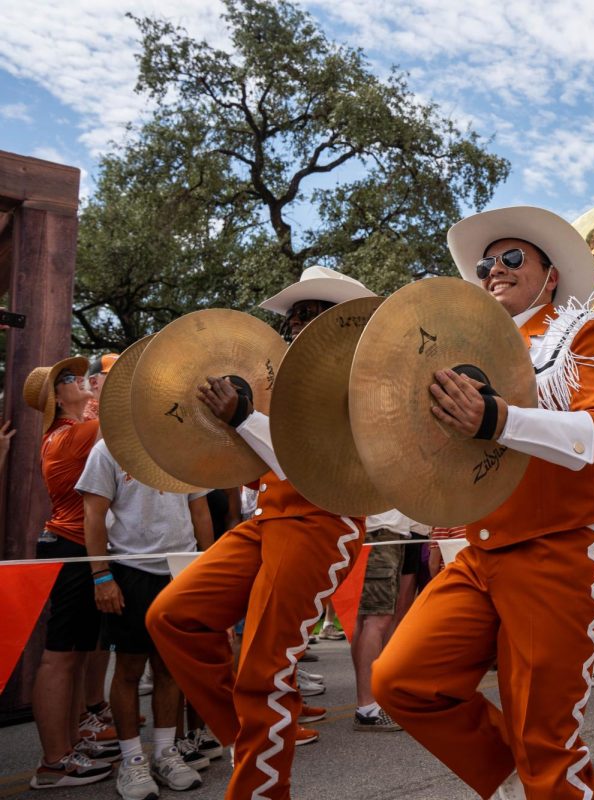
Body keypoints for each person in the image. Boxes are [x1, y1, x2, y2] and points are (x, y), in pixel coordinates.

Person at [371, 206, 594, 798]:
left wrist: (496, 417)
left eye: (513, 257)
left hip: (556, 551)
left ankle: (540, 775)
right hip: (479, 553)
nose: (494, 268)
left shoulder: (583, 333)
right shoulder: (467, 344)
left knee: (547, 738)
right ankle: (521, 774)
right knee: (400, 680)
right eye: (488, 262)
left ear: (551, 275)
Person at [146, 266, 375, 799]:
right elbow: (256, 465)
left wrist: (243, 416)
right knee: (172, 617)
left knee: (264, 671)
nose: (293, 326)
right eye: (292, 317)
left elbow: (317, 463)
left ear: (335, 324)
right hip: (270, 519)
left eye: (306, 315)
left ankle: (258, 781)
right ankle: (251, 736)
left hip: (322, 524)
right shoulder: (280, 385)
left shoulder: (360, 381)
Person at [78, 434, 214, 798]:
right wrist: (101, 575)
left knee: (170, 667)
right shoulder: (108, 449)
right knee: (129, 668)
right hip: (129, 569)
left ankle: (166, 753)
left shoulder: (182, 444)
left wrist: (207, 569)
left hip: (179, 569)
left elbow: (199, 510)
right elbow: (92, 512)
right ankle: (132, 760)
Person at [23, 357, 118, 789]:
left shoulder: (79, 429)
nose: (79, 380)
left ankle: (73, 738)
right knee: (59, 657)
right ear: (55, 398)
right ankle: (52, 762)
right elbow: (119, 415)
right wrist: (106, 389)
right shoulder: (69, 436)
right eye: (68, 379)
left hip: (80, 550)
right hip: (69, 549)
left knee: (78, 654)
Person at [349, 510, 416, 733]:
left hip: (383, 534)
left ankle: (372, 702)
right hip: (380, 534)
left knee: (368, 618)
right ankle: (367, 707)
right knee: (376, 620)